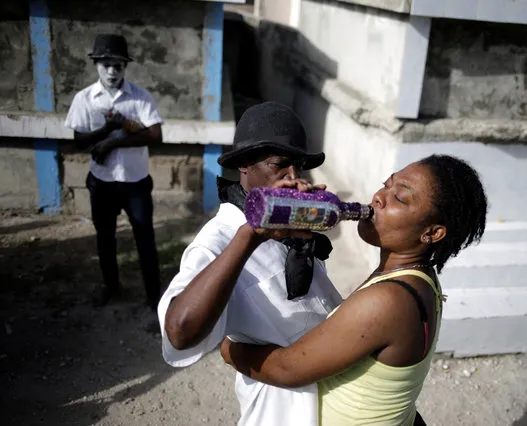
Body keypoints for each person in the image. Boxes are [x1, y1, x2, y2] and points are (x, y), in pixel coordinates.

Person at [220, 155, 488, 425]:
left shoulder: (389, 300)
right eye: (386, 185)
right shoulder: (418, 278)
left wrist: (228, 348)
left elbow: (287, 368)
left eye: (400, 198)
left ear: (432, 233)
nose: (380, 197)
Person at [158, 102, 343, 426]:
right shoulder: (220, 239)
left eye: (298, 167)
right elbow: (180, 332)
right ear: (245, 165)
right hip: (279, 412)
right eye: (280, 166)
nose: (294, 178)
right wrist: (250, 236)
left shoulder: (289, 226)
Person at [64, 34, 164, 309]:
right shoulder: (85, 99)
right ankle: (112, 287)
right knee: (105, 237)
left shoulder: (140, 97)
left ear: (125, 67)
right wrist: (106, 131)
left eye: (117, 65)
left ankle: (154, 297)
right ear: (96, 65)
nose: (111, 71)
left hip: (135, 182)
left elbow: (156, 134)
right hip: (103, 182)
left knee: (145, 237)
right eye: (106, 64)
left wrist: (114, 142)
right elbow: (79, 141)